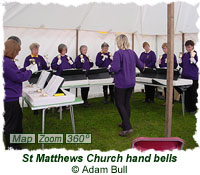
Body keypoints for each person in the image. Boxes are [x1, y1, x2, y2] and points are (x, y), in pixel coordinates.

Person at [3, 39, 38, 150]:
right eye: (17, 51)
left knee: (17, 117)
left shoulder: (7, 61)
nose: (17, 54)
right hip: (9, 98)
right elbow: (19, 77)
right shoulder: (7, 62)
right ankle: (11, 147)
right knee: (12, 123)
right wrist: (31, 71)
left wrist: (25, 69)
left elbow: (16, 72)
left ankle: (15, 143)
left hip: (10, 97)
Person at [108, 34, 144, 136]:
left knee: (119, 104)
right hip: (131, 82)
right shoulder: (132, 53)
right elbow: (141, 66)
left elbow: (115, 68)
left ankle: (127, 127)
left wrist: (110, 68)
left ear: (119, 42)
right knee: (126, 103)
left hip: (121, 83)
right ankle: (125, 122)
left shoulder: (118, 53)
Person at [179, 40, 199, 114]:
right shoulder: (185, 55)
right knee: (186, 93)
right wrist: (180, 62)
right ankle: (187, 107)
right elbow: (183, 65)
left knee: (193, 93)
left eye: (189, 47)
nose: (188, 48)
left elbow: (197, 63)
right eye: (187, 47)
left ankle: (193, 108)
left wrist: (195, 61)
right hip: (185, 76)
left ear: (193, 46)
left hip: (193, 77)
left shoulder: (196, 54)